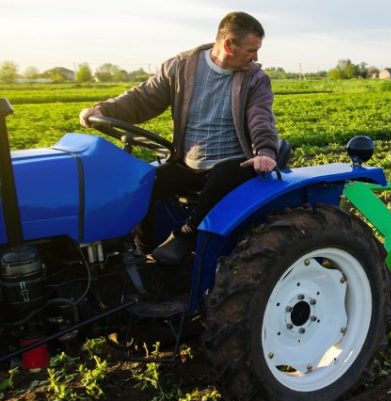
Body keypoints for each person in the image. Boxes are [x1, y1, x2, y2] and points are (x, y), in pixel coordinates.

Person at [80, 11, 278, 264]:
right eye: (252, 49)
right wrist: (104, 110)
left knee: (223, 176)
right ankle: (143, 252)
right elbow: (143, 98)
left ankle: (187, 235)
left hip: (233, 162)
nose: (256, 57)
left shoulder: (255, 79)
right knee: (146, 183)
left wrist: (264, 152)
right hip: (189, 162)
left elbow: (260, 117)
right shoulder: (181, 67)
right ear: (229, 45)